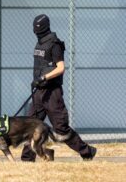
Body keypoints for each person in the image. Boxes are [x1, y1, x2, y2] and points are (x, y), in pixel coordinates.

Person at [21, 14, 97, 161]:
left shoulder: (54, 44)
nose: (37, 33)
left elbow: (61, 68)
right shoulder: (39, 44)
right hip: (38, 92)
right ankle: (27, 160)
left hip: (52, 95)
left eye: (39, 31)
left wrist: (44, 77)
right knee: (30, 126)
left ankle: (87, 151)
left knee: (61, 130)